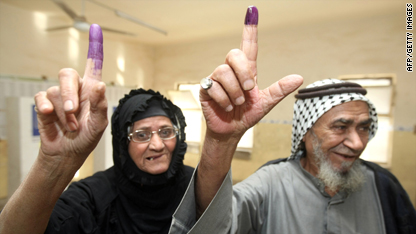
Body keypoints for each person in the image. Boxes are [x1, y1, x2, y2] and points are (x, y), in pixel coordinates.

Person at [169, 6, 416, 234]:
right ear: (306, 131)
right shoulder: (271, 183)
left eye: (364, 128)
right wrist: (221, 142)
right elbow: (213, 225)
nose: (357, 143)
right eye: (340, 127)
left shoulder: (383, 186)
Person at [0, 24, 193, 234]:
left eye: (165, 132)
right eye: (141, 135)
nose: (157, 145)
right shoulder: (93, 196)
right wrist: (51, 166)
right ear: (123, 143)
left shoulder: (195, 185)